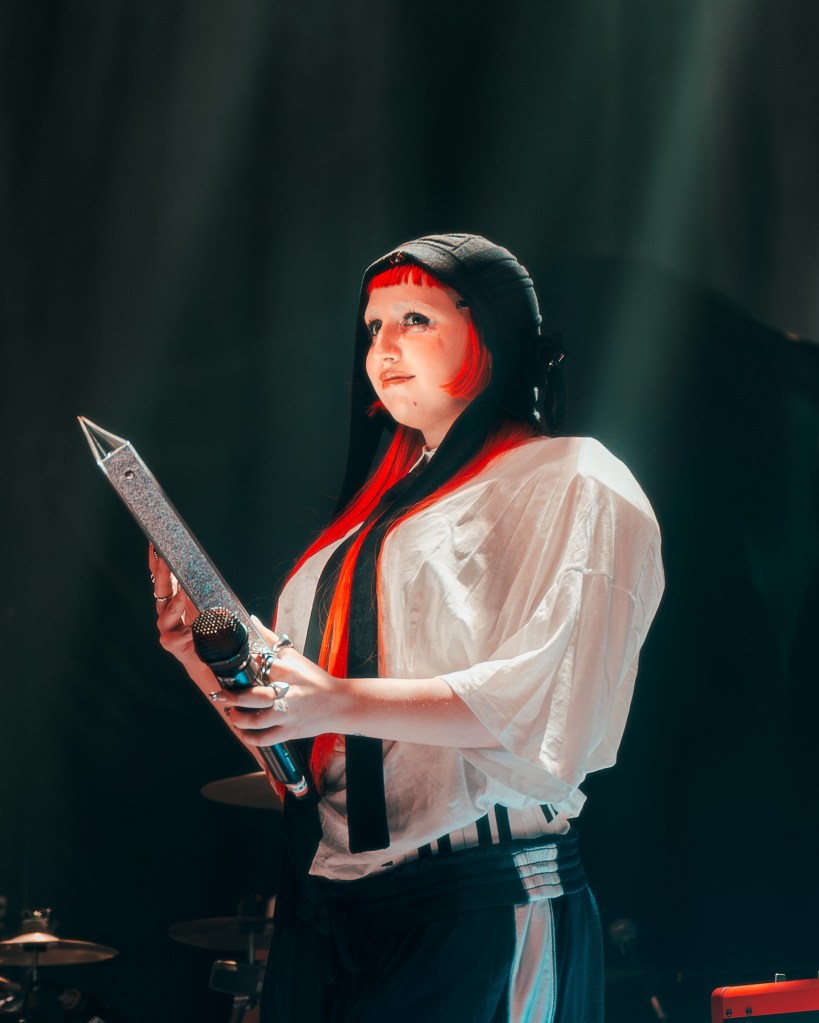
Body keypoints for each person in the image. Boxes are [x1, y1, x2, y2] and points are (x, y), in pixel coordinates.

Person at [151, 233, 664, 1022]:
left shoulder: (571, 479)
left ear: (489, 332)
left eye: (414, 320)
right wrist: (203, 659)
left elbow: (545, 706)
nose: (383, 347)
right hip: (334, 910)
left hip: (480, 902)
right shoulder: (359, 531)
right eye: (372, 327)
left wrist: (334, 698)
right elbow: (310, 766)